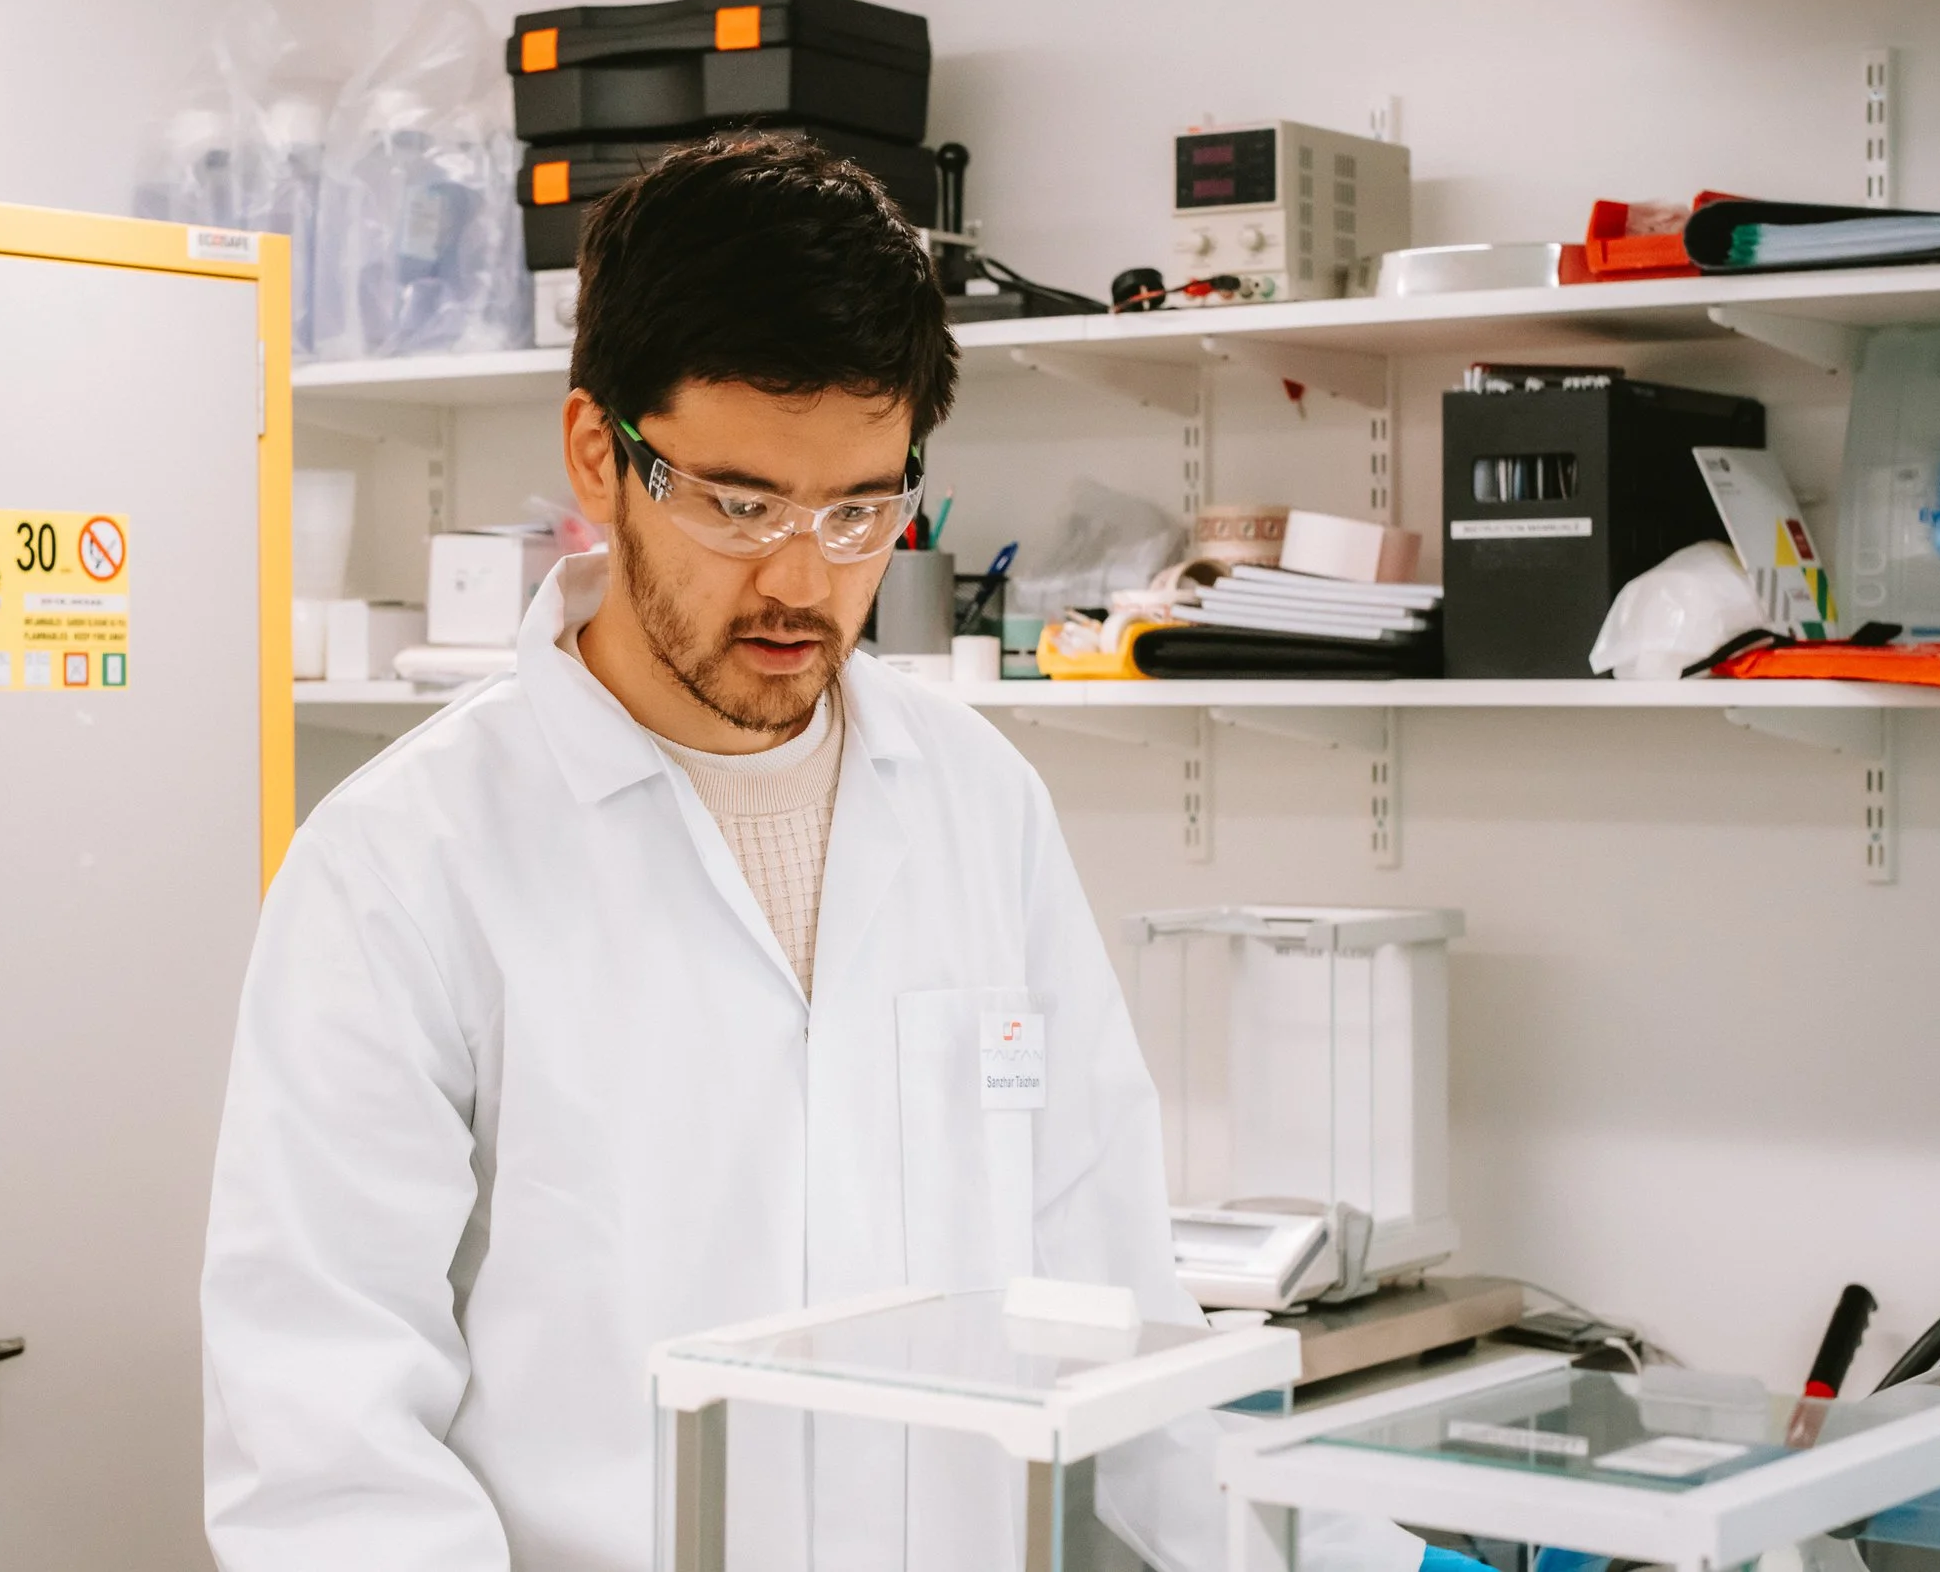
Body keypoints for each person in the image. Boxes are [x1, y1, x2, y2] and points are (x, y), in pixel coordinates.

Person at [201, 135, 1422, 1572]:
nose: (802, 578)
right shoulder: (406, 863)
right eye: (738, 504)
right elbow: (327, 1439)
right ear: (599, 452)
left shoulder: (977, 800)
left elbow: (1109, 1304)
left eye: (859, 510)